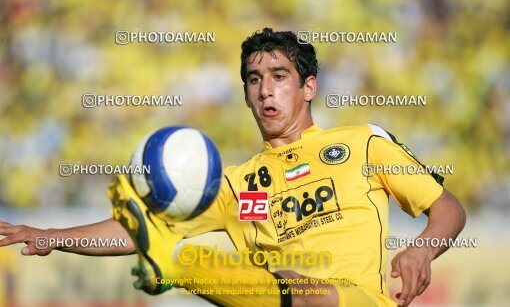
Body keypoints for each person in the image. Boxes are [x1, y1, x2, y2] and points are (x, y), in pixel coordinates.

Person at [0, 28, 466, 307]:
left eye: (279, 77)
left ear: (308, 87)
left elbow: (447, 208)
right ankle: (175, 266)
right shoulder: (235, 185)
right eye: (254, 80)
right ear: (245, 93)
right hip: (276, 297)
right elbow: (134, 227)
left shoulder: (361, 143)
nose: (265, 91)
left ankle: (176, 269)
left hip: (356, 302)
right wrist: (50, 237)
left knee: (302, 288)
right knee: (187, 251)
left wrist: (423, 249)